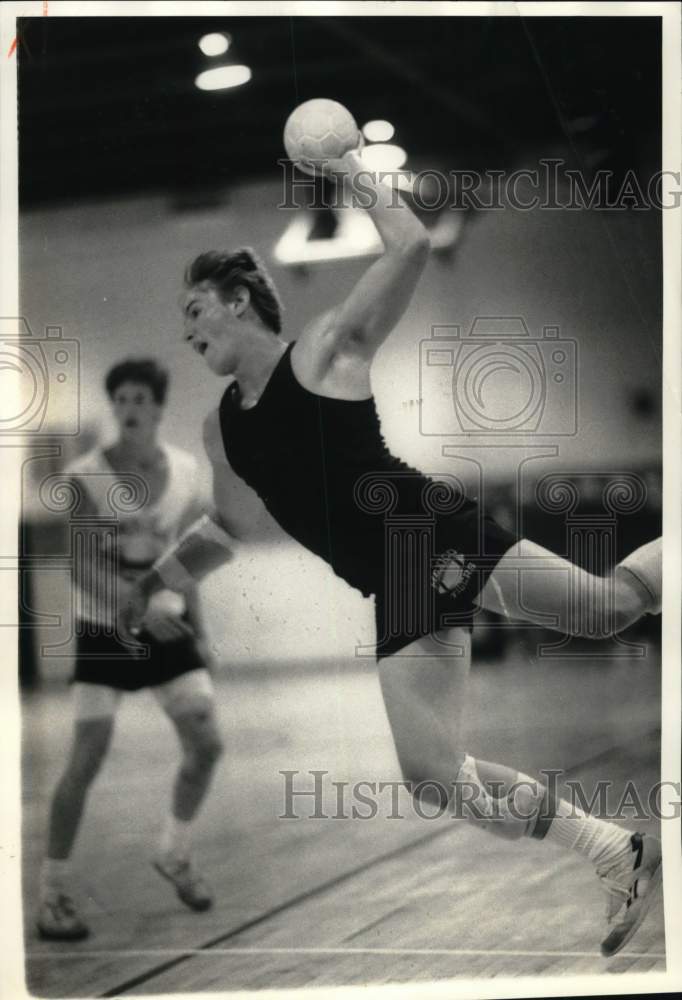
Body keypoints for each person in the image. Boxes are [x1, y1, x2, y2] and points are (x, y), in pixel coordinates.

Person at [123, 149, 662, 959]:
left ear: (239, 301)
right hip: (393, 583)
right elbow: (228, 531)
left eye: (196, 308)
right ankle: (613, 851)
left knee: (608, 609)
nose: (187, 328)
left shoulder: (327, 349)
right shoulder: (220, 429)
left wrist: (346, 166)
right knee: (433, 774)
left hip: (431, 532)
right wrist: (155, 583)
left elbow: (407, 243)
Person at [37, 358, 224, 941]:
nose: (130, 407)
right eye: (120, 398)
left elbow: (187, 560)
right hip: (106, 631)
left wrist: (200, 627)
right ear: (113, 406)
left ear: (159, 406)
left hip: (168, 628)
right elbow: (83, 567)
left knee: (207, 743)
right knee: (86, 757)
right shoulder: (86, 477)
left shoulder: (188, 472)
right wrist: (136, 610)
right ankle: (53, 893)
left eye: (141, 397)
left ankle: (173, 850)